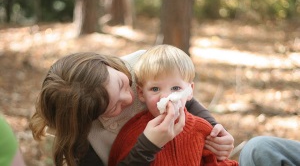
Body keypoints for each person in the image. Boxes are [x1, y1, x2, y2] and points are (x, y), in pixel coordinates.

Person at [29, 50, 234, 166]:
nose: (129, 98)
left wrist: (215, 129)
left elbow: (183, 97)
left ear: (107, 64)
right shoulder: (82, 140)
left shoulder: (141, 65)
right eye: (114, 106)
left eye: (121, 84)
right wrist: (148, 145)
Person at [109, 45, 238, 166]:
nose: (165, 96)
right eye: (155, 89)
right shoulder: (132, 133)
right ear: (141, 93)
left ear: (189, 91)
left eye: (176, 88)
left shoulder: (203, 130)